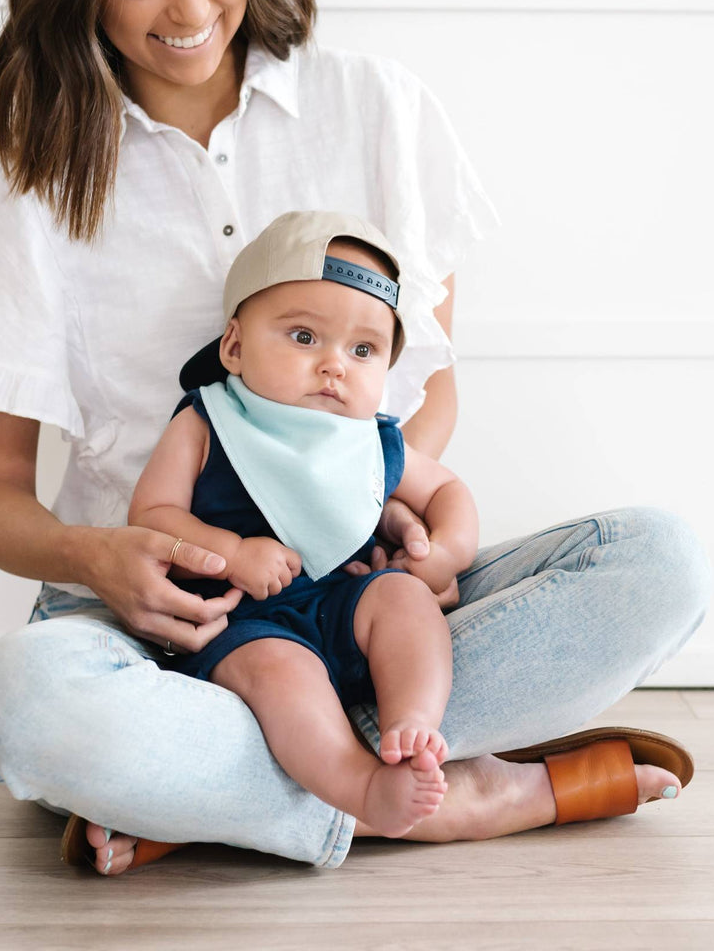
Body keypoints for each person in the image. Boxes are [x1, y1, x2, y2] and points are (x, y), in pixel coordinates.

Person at [0, 0, 710, 875]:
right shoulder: (21, 191)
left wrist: (411, 521)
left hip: (364, 596)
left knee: (659, 565)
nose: (189, 10)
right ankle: (449, 797)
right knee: (22, 709)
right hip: (154, 626)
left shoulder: (380, 110)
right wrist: (102, 557)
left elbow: (429, 384)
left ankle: (217, 792)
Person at [131, 210, 480, 838]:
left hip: (345, 604)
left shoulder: (368, 441)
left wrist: (444, 556)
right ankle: (360, 785)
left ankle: (413, 725)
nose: (335, 365)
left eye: (364, 350)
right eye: (303, 337)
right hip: (245, 623)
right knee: (280, 672)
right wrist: (230, 552)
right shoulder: (209, 421)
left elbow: (449, 490)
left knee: (402, 598)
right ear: (234, 346)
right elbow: (151, 519)